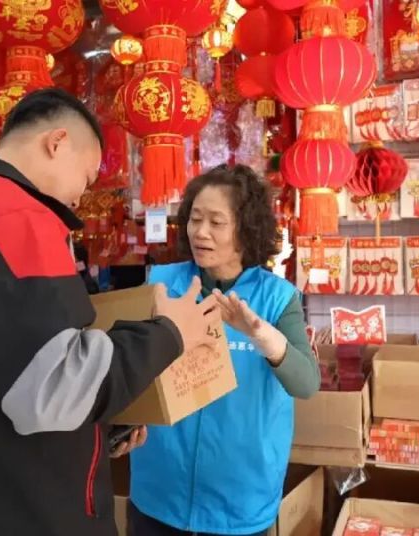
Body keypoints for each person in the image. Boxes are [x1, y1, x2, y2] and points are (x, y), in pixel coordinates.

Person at [0, 88, 220, 535]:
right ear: (57, 142)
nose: (81, 197)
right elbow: (54, 390)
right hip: (17, 507)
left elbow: (4, 373)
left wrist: (100, 427)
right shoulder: (14, 217)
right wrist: (169, 333)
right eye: (86, 177)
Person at [128, 165, 321, 536]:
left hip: (240, 502)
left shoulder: (277, 298)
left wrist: (262, 335)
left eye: (216, 222)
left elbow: (306, 384)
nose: (200, 232)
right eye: (195, 218)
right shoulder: (161, 283)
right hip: (158, 492)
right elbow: (132, 366)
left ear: (247, 230)